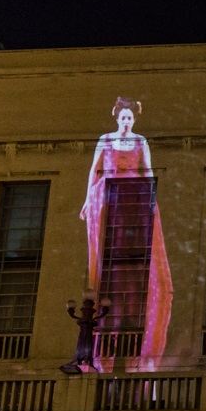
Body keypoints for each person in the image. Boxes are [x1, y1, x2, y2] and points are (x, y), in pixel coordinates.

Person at [78, 97, 173, 370]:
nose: (126, 122)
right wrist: (87, 200)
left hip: (132, 199)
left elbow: (148, 170)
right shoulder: (105, 139)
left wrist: (151, 201)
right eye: (123, 118)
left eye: (130, 118)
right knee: (108, 254)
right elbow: (94, 170)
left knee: (133, 256)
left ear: (134, 120)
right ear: (117, 117)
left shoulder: (140, 141)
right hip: (108, 197)